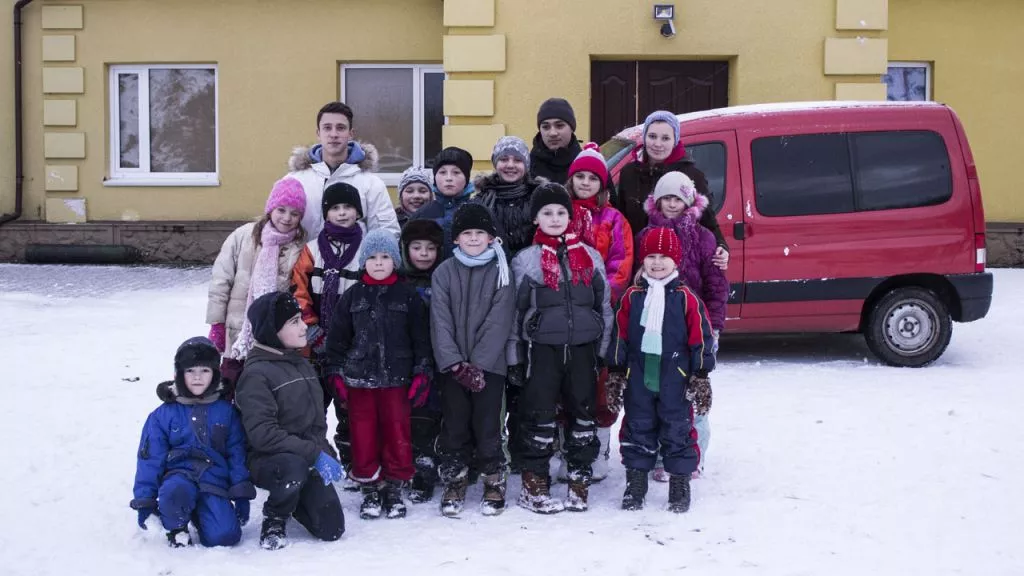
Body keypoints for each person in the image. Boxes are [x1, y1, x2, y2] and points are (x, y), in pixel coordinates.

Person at [508, 183, 613, 514]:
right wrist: (514, 356)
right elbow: (514, 313)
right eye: (547, 213)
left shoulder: (590, 257)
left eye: (561, 212)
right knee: (538, 417)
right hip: (541, 352)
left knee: (583, 415)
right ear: (536, 218)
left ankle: (579, 479)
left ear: (570, 217)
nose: (554, 218)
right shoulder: (526, 261)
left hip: (583, 350)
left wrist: (604, 350)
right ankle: (534, 484)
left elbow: (604, 306)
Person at [325, 229, 433, 520]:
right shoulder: (352, 296)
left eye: (385, 256)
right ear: (363, 262)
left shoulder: (408, 296)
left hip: (397, 380)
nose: (379, 262)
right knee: (363, 435)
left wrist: (422, 373)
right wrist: (336, 374)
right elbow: (337, 340)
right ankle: (370, 486)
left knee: (397, 433)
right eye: (372, 257)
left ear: (395, 261)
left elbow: (421, 340)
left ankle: (394, 486)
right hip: (359, 381)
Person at [611, 227, 715, 513]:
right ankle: (636, 483)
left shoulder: (686, 298)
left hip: (675, 378)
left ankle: (679, 483)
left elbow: (701, 338)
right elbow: (619, 336)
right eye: (651, 257)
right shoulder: (632, 297)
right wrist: (617, 369)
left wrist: (700, 374)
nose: (657, 263)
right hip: (639, 376)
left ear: (675, 260)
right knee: (637, 427)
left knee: (678, 429)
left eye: (664, 257)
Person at [234, 292, 346, 550]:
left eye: (301, 319)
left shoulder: (301, 363)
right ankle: (275, 516)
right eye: (294, 321)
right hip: (269, 460)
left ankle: (295, 495)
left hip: (303, 456)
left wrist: (324, 451)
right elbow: (263, 435)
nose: (304, 326)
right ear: (272, 331)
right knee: (293, 469)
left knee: (331, 528)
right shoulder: (256, 375)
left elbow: (314, 422)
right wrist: (314, 454)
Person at [553, 142, 634, 483]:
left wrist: (602, 298)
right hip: (562, 312)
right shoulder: (560, 214)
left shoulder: (614, 219)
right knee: (563, 381)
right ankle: (565, 448)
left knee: (599, 382)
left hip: (600, 313)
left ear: (602, 184)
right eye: (580, 177)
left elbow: (621, 262)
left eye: (592, 178)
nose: (585, 183)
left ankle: (599, 447)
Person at [430, 203, 515, 517]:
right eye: (467, 233)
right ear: (456, 238)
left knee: (488, 424)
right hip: (453, 368)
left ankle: (493, 478)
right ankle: (455, 479)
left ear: (492, 237)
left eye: (481, 232)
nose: (474, 238)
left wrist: (478, 364)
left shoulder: (502, 271)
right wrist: (455, 363)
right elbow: (440, 321)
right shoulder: (444, 272)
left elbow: (500, 320)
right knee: (454, 424)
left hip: (489, 367)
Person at [131, 337, 255, 548]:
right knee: (175, 491)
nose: (198, 377)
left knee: (225, 536)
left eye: (205, 371)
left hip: (213, 481)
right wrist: (145, 501)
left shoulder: (226, 412)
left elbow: (236, 454)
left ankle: (202, 513)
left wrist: (241, 492)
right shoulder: (163, 415)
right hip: (177, 478)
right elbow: (150, 459)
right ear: (179, 374)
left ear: (215, 374)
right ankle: (176, 527)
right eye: (190, 371)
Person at [290, 181, 365, 477]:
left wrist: (354, 338)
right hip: (314, 347)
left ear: (358, 212)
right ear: (326, 214)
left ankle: (352, 461)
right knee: (313, 407)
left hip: (351, 347)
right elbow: (298, 291)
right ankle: (315, 459)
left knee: (350, 408)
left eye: (348, 207)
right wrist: (313, 331)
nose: (342, 213)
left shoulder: (366, 250)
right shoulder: (311, 250)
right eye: (335, 208)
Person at [207, 177, 307, 388]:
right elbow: (221, 280)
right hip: (237, 332)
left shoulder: (301, 246)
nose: (287, 218)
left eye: (294, 213)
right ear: (270, 209)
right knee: (232, 387)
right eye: (281, 210)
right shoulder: (243, 236)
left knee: (265, 391)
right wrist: (217, 323)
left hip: (275, 337)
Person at [614, 110, 729, 270]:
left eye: (665, 138)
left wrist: (722, 246)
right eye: (652, 136)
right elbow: (621, 221)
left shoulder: (691, 175)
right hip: (639, 266)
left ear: (675, 140)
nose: (657, 144)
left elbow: (708, 220)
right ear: (644, 137)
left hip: (680, 269)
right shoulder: (629, 173)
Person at [286, 101, 399, 239]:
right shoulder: (294, 181)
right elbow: (275, 229)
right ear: (318, 133)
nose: (334, 134)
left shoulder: (372, 184)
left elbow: (386, 235)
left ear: (351, 134)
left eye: (340, 128)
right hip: (305, 254)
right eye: (327, 128)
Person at [399, 219, 446, 503]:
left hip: (441, 358)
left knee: (437, 414)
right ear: (406, 250)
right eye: (417, 247)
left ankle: (435, 464)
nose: (424, 254)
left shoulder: (446, 278)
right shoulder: (399, 282)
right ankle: (414, 466)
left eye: (430, 248)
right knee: (413, 415)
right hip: (408, 360)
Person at [474, 136, 547, 255]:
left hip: (532, 263)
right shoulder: (481, 199)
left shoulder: (539, 197)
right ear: (495, 163)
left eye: (518, 160)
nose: (510, 165)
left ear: (526, 165)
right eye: (504, 159)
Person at [410, 147, 476, 259]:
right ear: (435, 177)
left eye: (456, 172)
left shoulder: (479, 211)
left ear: (466, 177)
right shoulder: (422, 215)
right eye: (442, 172)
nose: (449, 178)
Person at [530, 98, 582, 184]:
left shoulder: (586, 163)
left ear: (572, 128)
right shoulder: (527, 166)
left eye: (559, 125)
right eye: (546, 127)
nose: (553, 133)